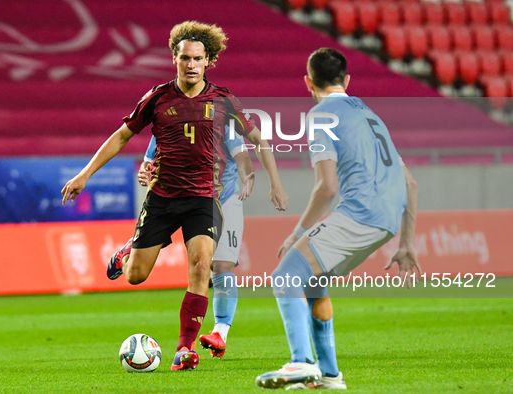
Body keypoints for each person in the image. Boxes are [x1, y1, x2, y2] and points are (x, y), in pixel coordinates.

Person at [61, 21, 288, 372]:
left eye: (198, 59)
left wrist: (275, 182)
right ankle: (128, 251)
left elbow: (259, 140)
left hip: (203, 199)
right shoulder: (157, 98)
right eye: (185, 58)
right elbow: (121, 137)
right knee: (136, 275)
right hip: (163, 198)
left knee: (201, 266)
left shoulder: (224, 100)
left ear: (208, 61)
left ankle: (185, 349)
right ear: (174, 59)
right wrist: (84, 174)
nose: (191, 64)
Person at [255, 48, 420, 390]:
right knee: (313, 283)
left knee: (286, 275)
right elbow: (410, 182)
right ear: (347, 80)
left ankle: (301, 362)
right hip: (387, 219)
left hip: (360, 212)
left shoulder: (320, 115)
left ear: (307, 83)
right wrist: (405, 243)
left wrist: (297, 233)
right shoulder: (369, 114)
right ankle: (330, 376)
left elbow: (327, 188)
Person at [139, 128, 252, 359]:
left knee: (221, 266)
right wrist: (145, 172)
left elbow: (242, 156)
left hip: (225, 200)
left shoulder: (224, 121)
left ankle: (220, 334)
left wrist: (247, 175)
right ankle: (135, 245)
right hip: (184, 199)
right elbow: (149, 162)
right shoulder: (168, 116)